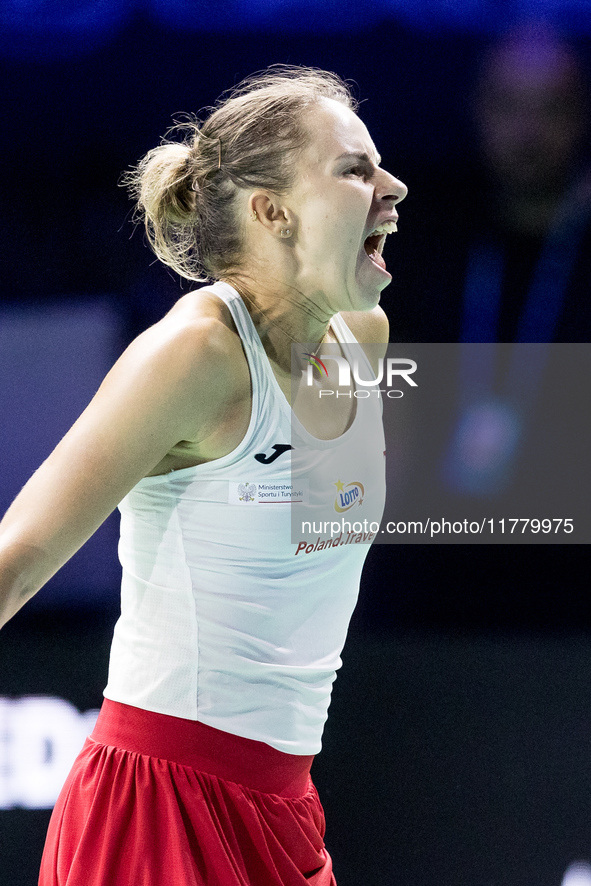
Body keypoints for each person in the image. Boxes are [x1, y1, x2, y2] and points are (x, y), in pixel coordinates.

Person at [0, 66, 407, 885]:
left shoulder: (364, 337)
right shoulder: (194, 355)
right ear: (272, 211)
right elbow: (20, 556)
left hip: (286, 807)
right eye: (354, 170)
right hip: (154, 806)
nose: (392, 188)